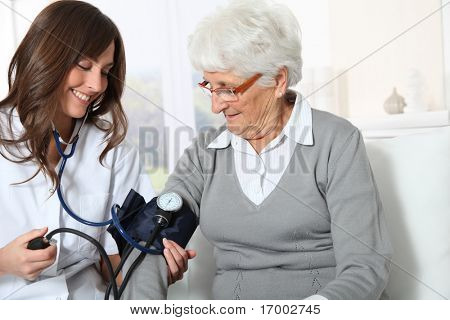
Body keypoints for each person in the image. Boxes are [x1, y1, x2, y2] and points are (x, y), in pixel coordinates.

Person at [135, 0, 392, 300]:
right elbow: (150, 240)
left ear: (278, 80)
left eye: (228, 89)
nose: (215, 105)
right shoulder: (206, 152)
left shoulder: (337, 142)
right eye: (210, 86)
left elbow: (366, 266)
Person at [0, 0, 191, 300]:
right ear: (46, 56)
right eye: (84, 66)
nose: (96, 84)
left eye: (106, 71)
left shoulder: (113, 150)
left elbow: (113, 262)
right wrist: (3, 263)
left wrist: (151, 265)